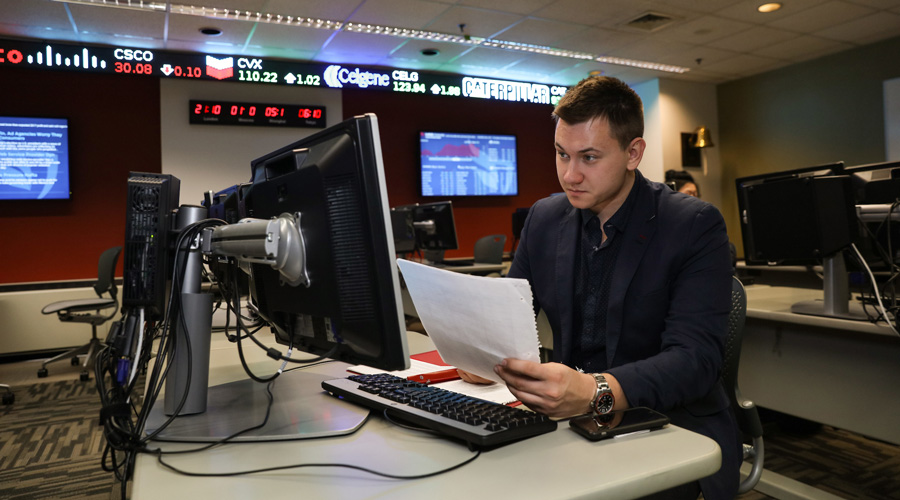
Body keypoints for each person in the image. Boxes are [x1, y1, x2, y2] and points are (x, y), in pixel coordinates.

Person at [460, 76, 740, 499]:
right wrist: (480, 352)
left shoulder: (693, 225)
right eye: (561, 154)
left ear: (633, 153)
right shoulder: (544, 218)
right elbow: (509, 311)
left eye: (589, 157)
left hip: (669, 423)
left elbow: (696, 360)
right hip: (572, 424)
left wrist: (596, 390)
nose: (570, 174)